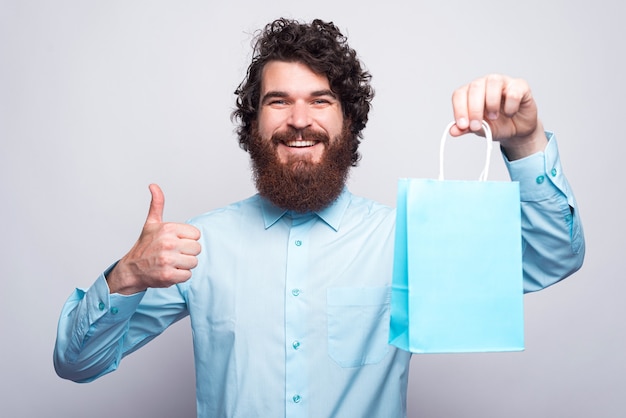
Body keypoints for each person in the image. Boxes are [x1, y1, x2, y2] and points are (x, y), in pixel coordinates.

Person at [54, 18, 585, 418]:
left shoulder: (403, 241)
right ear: (253, 123)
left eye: (321, 100)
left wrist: (524, 142)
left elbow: (552, 257)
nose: (300, 121)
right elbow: (76, 363)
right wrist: (124, 276)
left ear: (348, 120)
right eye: (278, 102)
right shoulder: (200, 246)